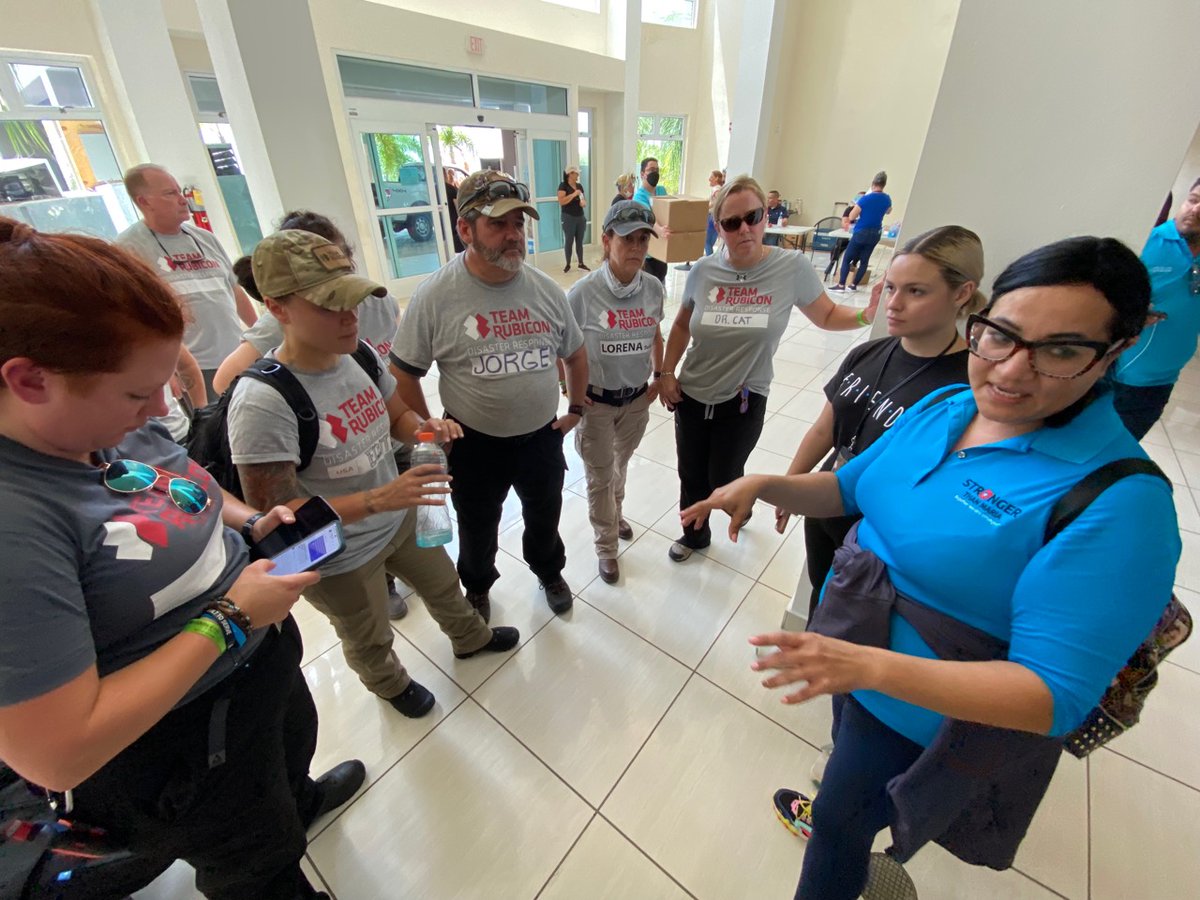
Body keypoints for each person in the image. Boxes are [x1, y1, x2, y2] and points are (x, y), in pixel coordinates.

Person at [682, 235, 1181, 900]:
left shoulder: (1121, 504)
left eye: (1061, 350)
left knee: (838, 822)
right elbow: (852, 489)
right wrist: (768, 484)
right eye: (999, 336)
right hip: (853, 662)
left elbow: (1053, 696)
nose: (1009, 370)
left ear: (1116, 351)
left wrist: (869, 666)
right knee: (847, 787)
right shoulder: (948, 407)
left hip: (923, 713)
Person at [0, 217, 363, 900]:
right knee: (254, 864)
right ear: (29, 380)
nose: (160, 410)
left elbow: (183, 481)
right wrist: (228, 619)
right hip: (183, 742)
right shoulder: (17, 522)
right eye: (138, 394)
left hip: (258, 660)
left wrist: (252, 519)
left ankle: (297, 799)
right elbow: (55, 749)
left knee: (286, 757)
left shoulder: (106, 426)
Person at [228, 230, 519, 719]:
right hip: (340, 553)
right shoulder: (261, 403)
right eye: (328, 305)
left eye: (352, 300)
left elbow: (396, 414)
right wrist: (379, 499)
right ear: (278, 307)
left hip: (398, 518)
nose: (349, 316)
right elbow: (279, 516)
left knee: (443, 584)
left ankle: (470, 637)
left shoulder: (357, 353)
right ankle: (389, 684)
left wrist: (423, 427)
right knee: (367, 632)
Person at [392, 171, 588, 620]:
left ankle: (548, 570)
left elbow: (576, 353)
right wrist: (430, 431)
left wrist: (574, 408)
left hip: (540, 437)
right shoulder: (436, 296)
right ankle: (477, 586)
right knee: (478, 526)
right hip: (473, 443)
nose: (513, 235)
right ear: (465, 229)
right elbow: (403, 373)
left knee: (545, 515)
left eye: (518, 223)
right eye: (498, 224)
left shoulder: (544, 290)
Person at [658, 174, 880, 563]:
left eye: (753, 216)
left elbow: (826, 314)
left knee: (722, 475)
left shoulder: (790, 268)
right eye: (731, 222)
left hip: (744, 398)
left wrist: (866, 314)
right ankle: (694, 536)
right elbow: (679, 325)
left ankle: (734, 499)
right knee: (691, 474)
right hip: (692, 393)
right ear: (719, 228)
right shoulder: (703, 271)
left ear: (765, 218)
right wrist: (666, 373)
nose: (744, 228)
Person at [777, 225, 984, 615]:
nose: (894, 303)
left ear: (962, 293)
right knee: (822, 599)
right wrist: (791, 487)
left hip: (880, 537)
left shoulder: (967, 387)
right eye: (891, 288)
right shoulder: (869, 353)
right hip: (826, 504)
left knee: (855, 622)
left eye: (916, 291)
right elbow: (826, 429)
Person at [569, 201, 665, 583]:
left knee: (619, 466)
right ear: (607, 240)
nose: (638, 248)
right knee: (600, 475)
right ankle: (606, 545)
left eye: (644, 239)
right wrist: (570, 390)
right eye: (628, 239)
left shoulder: (654, 288)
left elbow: (656, 334)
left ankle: (616, 512)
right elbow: (566, 348)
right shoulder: (582, 293)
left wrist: (660, 375)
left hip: (637, 401)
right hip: (597, 404)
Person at [212, 210, 401, 395]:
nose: (350, 315)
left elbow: (398, 400)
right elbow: (225, 381)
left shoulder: (379, 302)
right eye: (326, 305)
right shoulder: (281, 324)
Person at [116, 164, 258, 398]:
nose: (182, 200)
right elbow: (132, 317)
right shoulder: (128, 249)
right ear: (144, 202)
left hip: (236, 354)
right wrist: (167, 371)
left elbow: (234, 290)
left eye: (179, 191)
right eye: (170, 193)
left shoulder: (205, 238)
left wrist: (259, 335)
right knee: (213, 431)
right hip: (192, 368)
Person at [1112, 178, 1200, 438]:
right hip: (1114, 375)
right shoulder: (1148, 242)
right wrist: (1133, 312)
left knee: (1120, 456)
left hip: (1161, 382)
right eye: (1193, 200)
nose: (1195, 209)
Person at [831, 171, 892, 293]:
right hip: (875, 233)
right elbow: (888, 211)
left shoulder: (864, 199)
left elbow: (852, 216)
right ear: (884, 184)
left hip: (861, 232)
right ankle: (853, 285)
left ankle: (842, 284)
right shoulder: (887, 198)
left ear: (873, 184)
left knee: (847, 258)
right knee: (865, 260)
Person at [676, 169, 726, 271]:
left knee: (706, 242)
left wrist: (705, 207)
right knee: (709, 243)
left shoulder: (716, 189)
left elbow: (717, 202)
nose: (709, 179)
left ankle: (710, 266)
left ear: (716, 178)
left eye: (711, 177)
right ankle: (711, 264)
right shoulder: (720, 189)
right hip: (716, 218)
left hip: (712, 217)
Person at [632, 157, 669, 283]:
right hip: (647, 254)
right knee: (649, 288)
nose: (655, 173)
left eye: (657, 170)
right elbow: (648, 216)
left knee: (660, 285)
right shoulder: (639, 196)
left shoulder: (661, 190)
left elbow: (669, 210)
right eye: (651, 169)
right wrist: (659, 230)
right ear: (642, 174)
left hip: (662, 251)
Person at [558, 165, 589, 273]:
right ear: (570, 174)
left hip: (580, 217)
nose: (578, 175)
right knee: (569, 241)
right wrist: (573, 194)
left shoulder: (579, 186)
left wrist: (583, 202)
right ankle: (568, 264)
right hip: (568, 217)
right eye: (576, 173)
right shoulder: (563, 186)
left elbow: (583, 200)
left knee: (579, 241)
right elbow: (561, 201)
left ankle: (581, 263)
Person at [445, 166, 466, 254]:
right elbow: (458, 206)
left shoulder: (435, 189)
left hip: (444, 224)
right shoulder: (451, 189)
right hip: (453, 222)